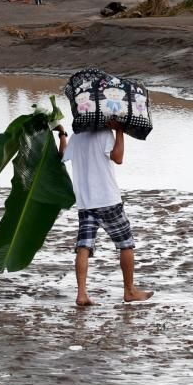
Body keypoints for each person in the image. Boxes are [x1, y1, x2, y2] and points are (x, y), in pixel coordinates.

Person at [56, 122, 154, 307]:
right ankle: (129, 291)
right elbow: (118, 158)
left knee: (84, 246)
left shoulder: (77, 135)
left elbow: (62, 155)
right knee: (126, 244)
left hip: (85, 202)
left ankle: (82, 294)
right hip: (108, 200)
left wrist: (62, 133)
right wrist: (119, 130)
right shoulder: (104, 133)